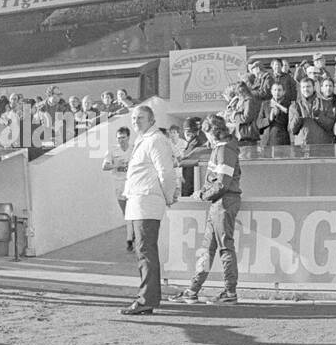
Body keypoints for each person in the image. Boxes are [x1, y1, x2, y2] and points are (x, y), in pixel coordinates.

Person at [172, 114, 241, 305]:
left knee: (224, 247)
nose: (207, 139)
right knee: (207, 248)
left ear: (214, 132)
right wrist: (204, 193)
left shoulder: (225, 150)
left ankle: (230, 292)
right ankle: (193, 290)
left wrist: (202, 194)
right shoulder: (223, 148)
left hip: (223, 203)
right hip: (219, 203)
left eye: (207, 134)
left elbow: (222, 184)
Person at [120, 105, 178, 316]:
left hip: (147, 202)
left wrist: (169, 196)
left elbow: (166, 173)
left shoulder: (155, 140)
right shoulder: (144, 140)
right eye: (134, 117)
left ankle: (147, 299)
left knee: (146, 251)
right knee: (142, 251)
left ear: (152, 120)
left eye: (141, 118)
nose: (136, 121)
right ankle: (148, 296)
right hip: (138, 202)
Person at [102, 126, 134, 252]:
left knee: (134, 211)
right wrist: (117, 165)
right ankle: (131, 236)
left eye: (123, 138)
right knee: (126, 213)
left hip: (133, 184)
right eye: (119, 138)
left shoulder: (134, 149)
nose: (121, 140)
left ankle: (130, 239)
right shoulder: (112, 150)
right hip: (119, 185)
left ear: (128, 137)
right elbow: (104, 166)